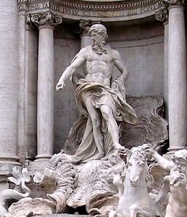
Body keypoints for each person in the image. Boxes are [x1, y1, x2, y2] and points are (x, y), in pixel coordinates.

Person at [56, 23, 137, 163]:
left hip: (105, 89)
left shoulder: (113, 53)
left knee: (107, 112)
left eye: (98, 34)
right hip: (88, 87)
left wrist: (119, 82)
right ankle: (99, 152)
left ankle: (116, 145)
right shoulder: (86, 52)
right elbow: (73, 67)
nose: (95, 37)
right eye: (93, 35)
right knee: (94, 120)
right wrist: (62, 79)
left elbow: (125, 71)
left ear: (104, 35)